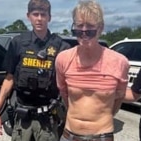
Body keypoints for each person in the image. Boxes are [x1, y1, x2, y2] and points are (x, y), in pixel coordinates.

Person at [0, 0, 71, 140]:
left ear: (49, 17)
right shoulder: (18, 43)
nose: (39, 18)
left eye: (43, 14)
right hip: (23, 119)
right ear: (28, 16)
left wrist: (72, 115)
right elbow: (9, 79)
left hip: (48, 119)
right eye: (35, 14)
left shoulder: (61, 47)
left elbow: (67, 86)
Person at [55, 0, 130, 141]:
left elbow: (118, 99)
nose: (84, 31)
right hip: (69, 135)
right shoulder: (63, 59)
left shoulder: (119, 62)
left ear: (100, 28)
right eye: (79, 25)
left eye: (89, 26)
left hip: (102, 135)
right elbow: (64, 95)